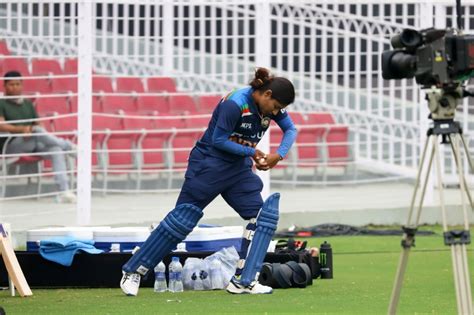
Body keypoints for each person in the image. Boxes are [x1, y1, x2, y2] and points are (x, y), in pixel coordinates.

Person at [120, 67, 297, 295]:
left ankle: (244, 280)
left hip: (238, 170)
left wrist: (277, 155)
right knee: (180, 222)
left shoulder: (271, 107)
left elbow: (290, 129)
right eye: (275, 107)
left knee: (262, 219)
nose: (276, 112)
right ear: (267, 95)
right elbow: (219, 140)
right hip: (209, 164)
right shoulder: (236, 103)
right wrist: (253, 153)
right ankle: (133, 270)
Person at [0, 71, 76, 203]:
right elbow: (1, 125)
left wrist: (35, 131)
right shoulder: (1, 103)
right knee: (37, 131)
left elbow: (38, 123)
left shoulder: (27, 103)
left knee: (55, 150)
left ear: (22, 85)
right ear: (5, 86)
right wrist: (23, 130)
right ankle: (68, 146)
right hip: (11, 145)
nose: (15, 87)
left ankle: (64, 191)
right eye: (11, 84)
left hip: (32, 141)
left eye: (18, 84)